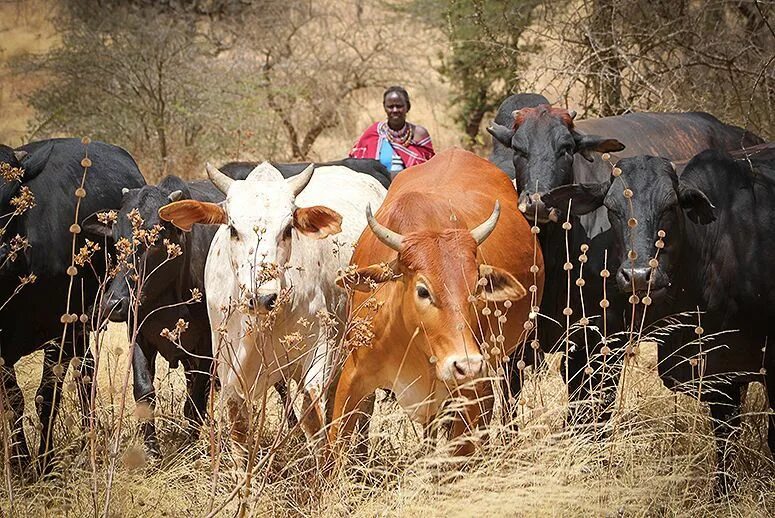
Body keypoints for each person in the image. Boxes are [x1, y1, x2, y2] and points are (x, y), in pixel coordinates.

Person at [348, 86, 434, 175]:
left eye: (399, 106)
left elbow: (430, 168)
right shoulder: (375, 132)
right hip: (378, 185)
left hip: (412, 185)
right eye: (390, 107)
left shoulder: (419, 134)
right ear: (384, 108)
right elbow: (358, 163)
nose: (395, 110)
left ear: (408, 107)